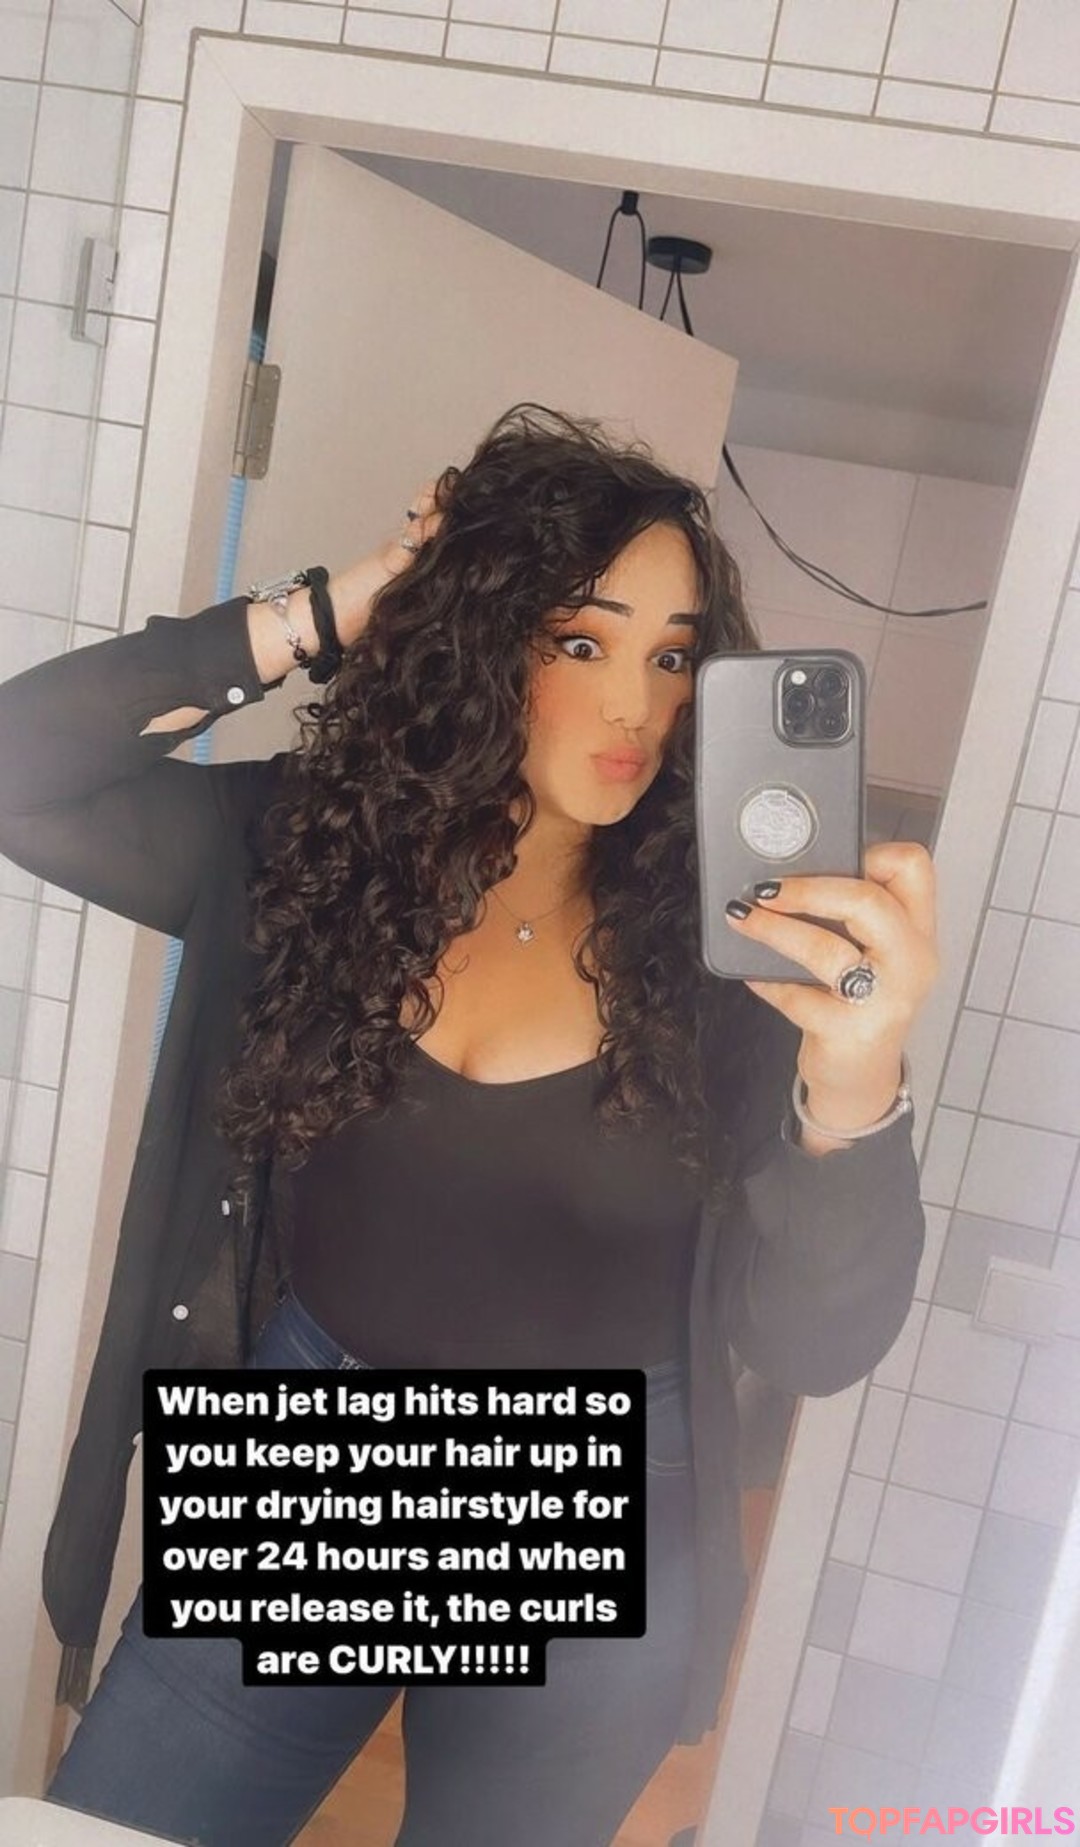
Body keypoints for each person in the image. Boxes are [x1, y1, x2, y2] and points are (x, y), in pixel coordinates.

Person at [0, 405, 936, 1847]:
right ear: (479, 636)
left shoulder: (731, 947)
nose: (636, 707)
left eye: (672, 656)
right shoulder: (317, 849)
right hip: (324, 1442)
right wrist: (327, 609)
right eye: (581, 640)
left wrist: (857, 1083)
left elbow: (818, 1348)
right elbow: (22, 766)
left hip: (597, 1484)